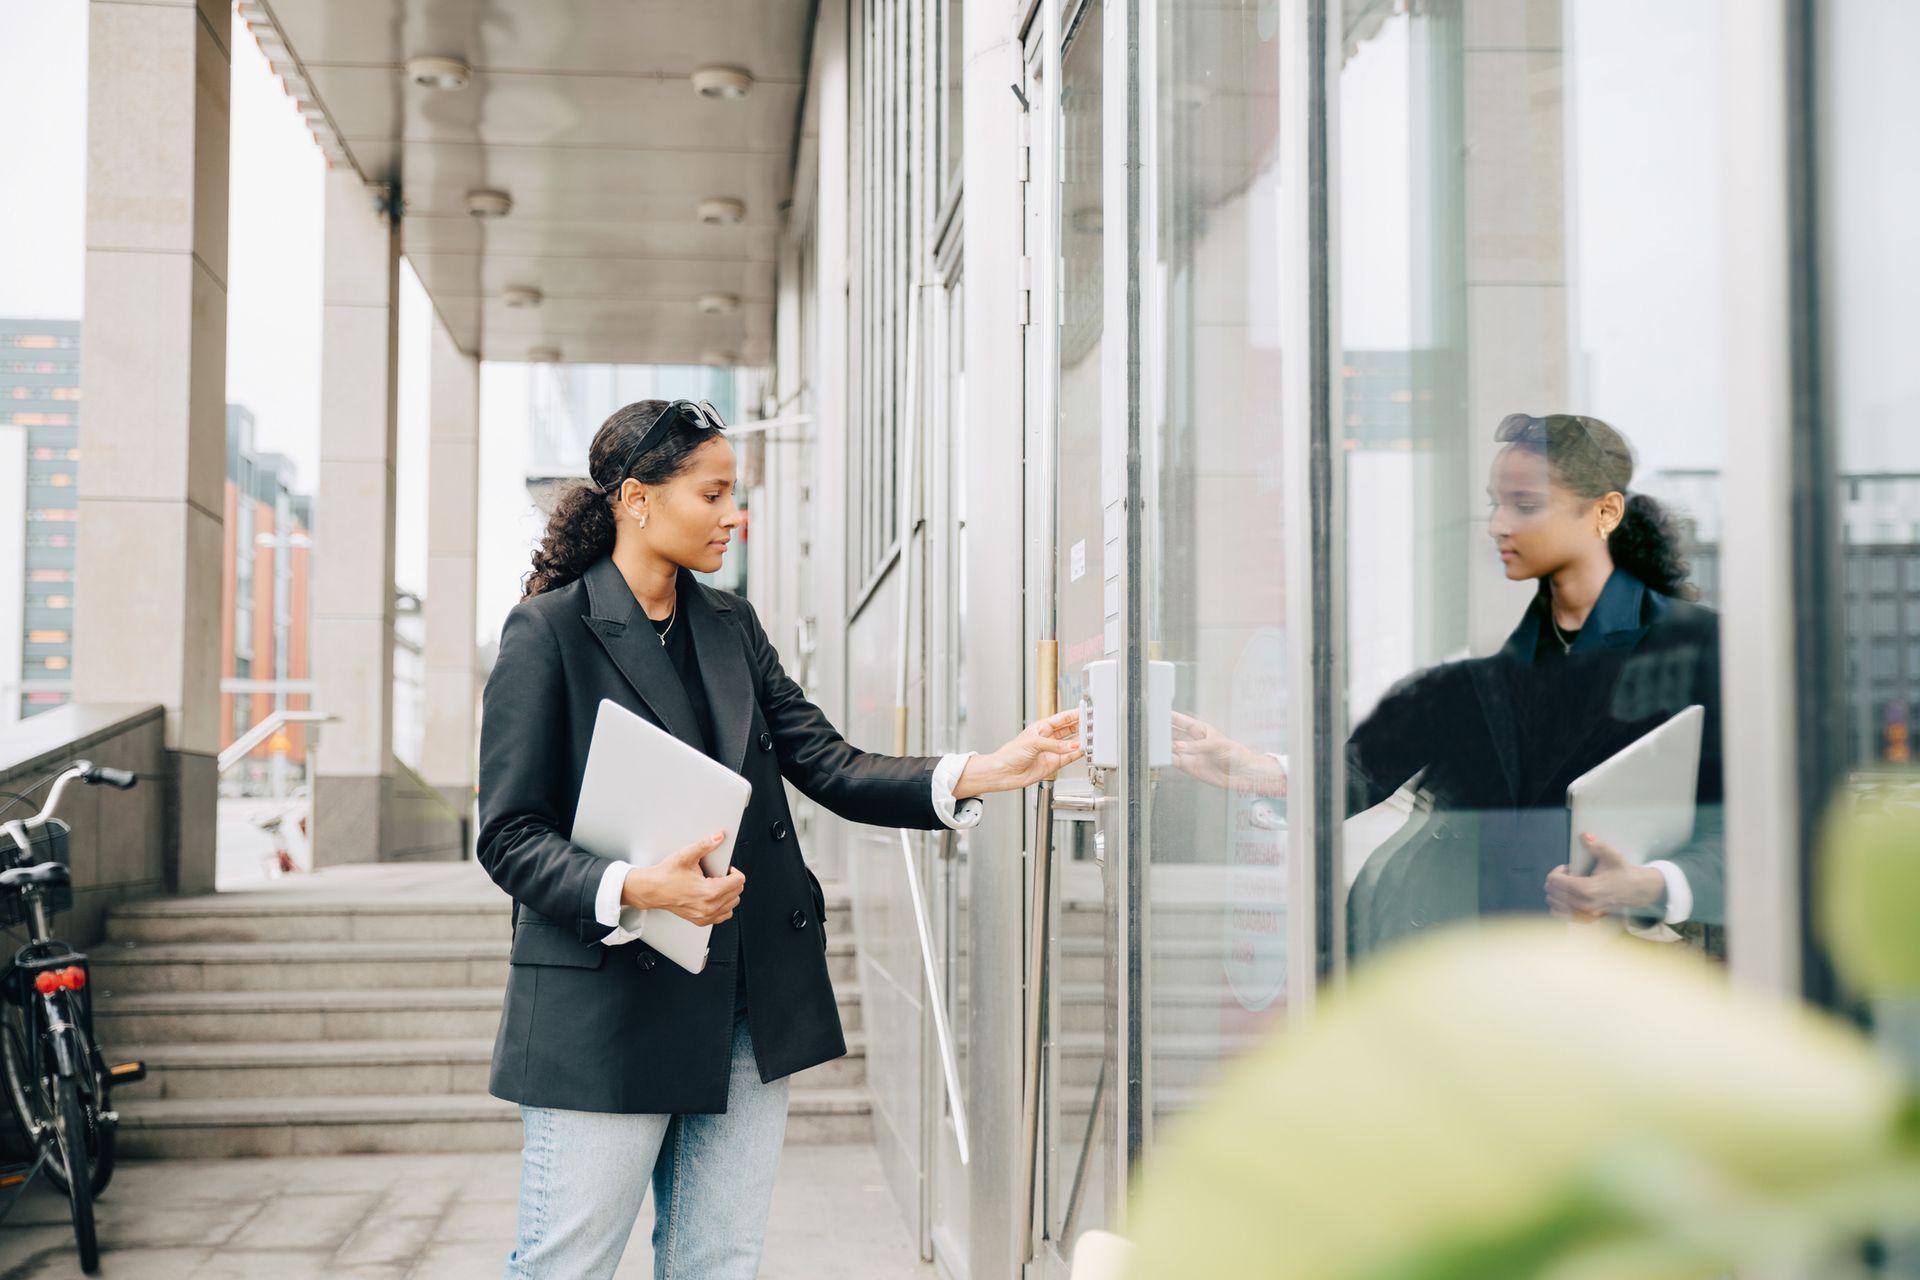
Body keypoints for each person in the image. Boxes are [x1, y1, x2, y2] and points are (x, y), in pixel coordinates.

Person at [476, 398, 1082, 1279]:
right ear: (637, 501)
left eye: (737, 494)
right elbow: (509, 836)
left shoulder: (731, 625)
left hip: (746, 999)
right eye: (714, 493)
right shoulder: (548, 632)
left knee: (718, 1261)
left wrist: (987, 769)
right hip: (605, 1005)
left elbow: (828, 763)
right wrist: (641, 887)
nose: (735, 515)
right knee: (566, 1264)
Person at [1167, 413, 1723, 956]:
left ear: (1604, 513)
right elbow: (1371, 766)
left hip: (1599, 982)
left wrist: (1656, 886)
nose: (1498, 525)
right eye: (1495, 503)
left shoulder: (1698, 648)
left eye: (1525, 505)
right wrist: (1255, 770)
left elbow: (1751, 824)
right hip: (1451, 956)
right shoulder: (1514, 656)